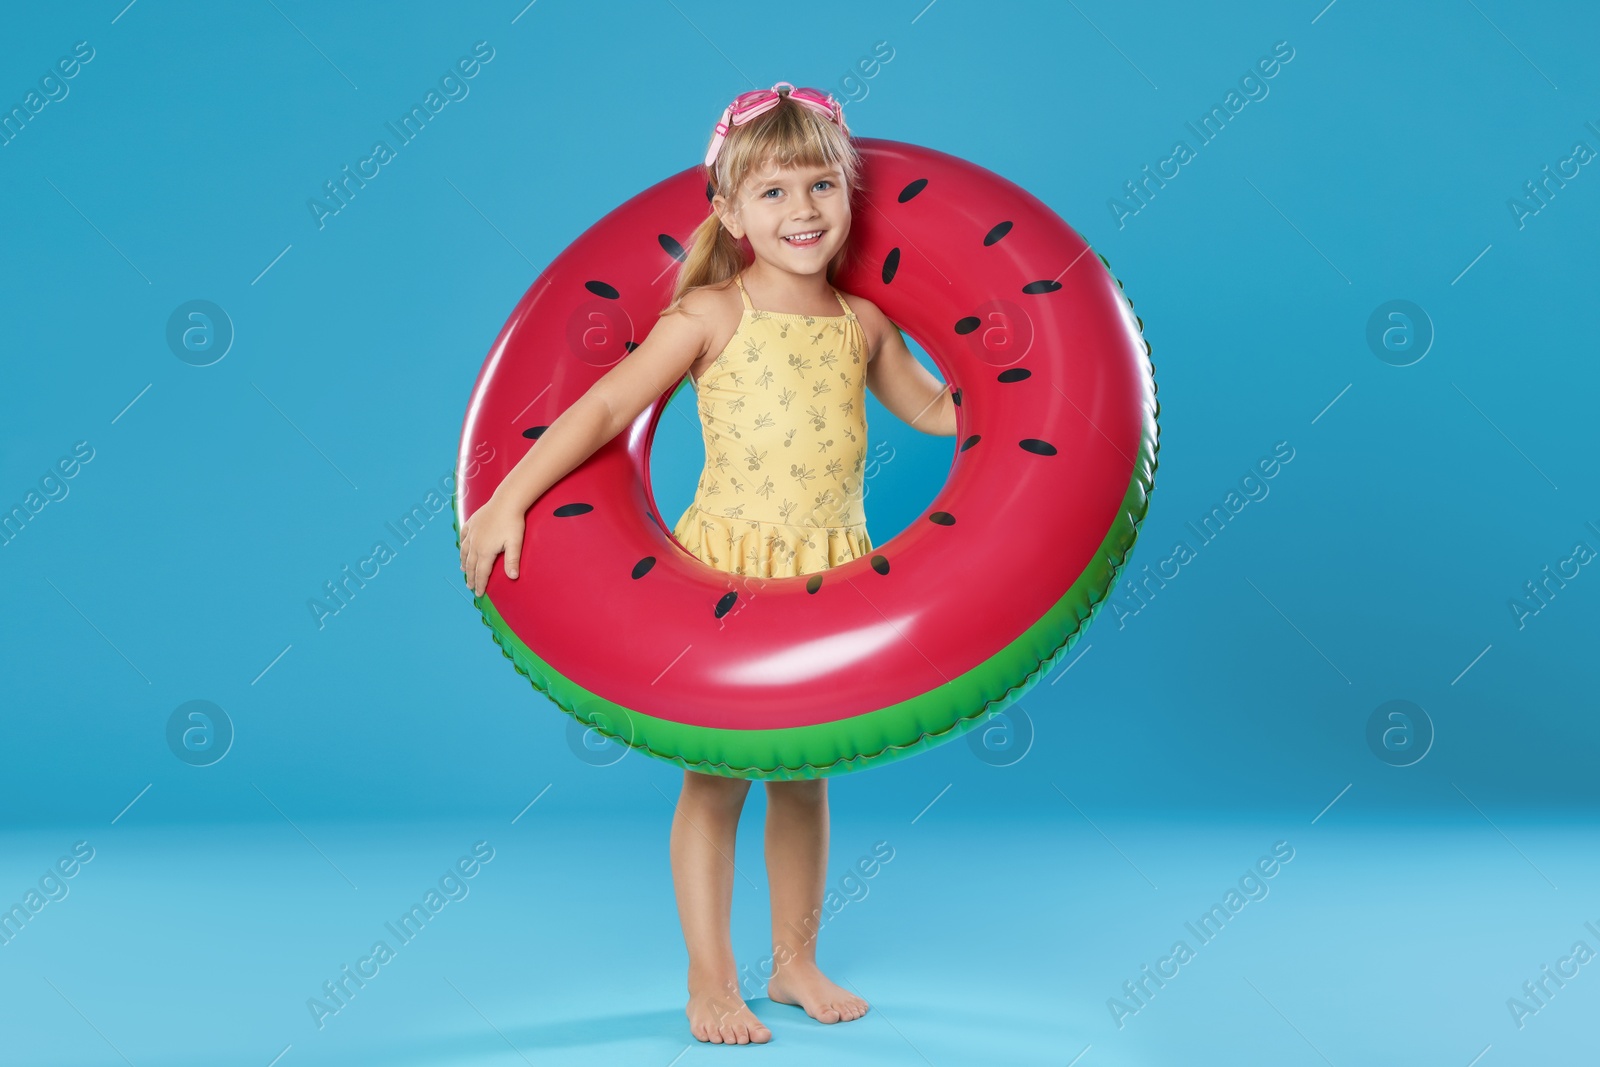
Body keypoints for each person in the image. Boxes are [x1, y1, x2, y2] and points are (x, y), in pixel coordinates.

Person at [458, 81, 956, 1045]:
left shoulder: (864, 325)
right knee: (715, 781)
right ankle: (710, 980)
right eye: (771, 192)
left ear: (850, 196)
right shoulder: (711, 315)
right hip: (725, 577)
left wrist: (1042, 404)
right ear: (728, 212)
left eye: (821, 184)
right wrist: (507, 497)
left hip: (830, 572)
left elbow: (940, 411)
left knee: (805, 779)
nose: (801, 211)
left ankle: (797, 959)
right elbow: (604, 410)